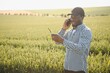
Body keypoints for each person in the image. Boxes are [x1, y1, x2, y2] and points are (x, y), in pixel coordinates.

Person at [51, 7, 92, 73]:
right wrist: (63, 29)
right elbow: (57, 42)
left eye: (75, 16)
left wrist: (62, 41)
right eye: (71, 16)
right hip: (67, 68)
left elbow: (81, 49)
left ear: (82, 17)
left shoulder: (86, 31)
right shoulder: (70, 31)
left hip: (79, 70)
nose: (72, 18)